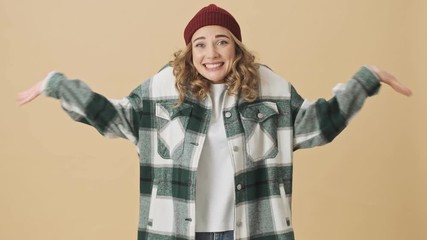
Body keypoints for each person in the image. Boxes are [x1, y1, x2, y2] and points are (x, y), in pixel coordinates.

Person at [17, 4, 412, 240]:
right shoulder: (160, 92)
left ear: (235, 47)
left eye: (221, 40)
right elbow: (113, 116)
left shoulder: (270, 89)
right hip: (177, 232)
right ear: (189, 53)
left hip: (253, 231)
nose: (211, 53)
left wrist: (366, 78)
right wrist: (60, 86)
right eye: (200, 44)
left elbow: (317, 124)